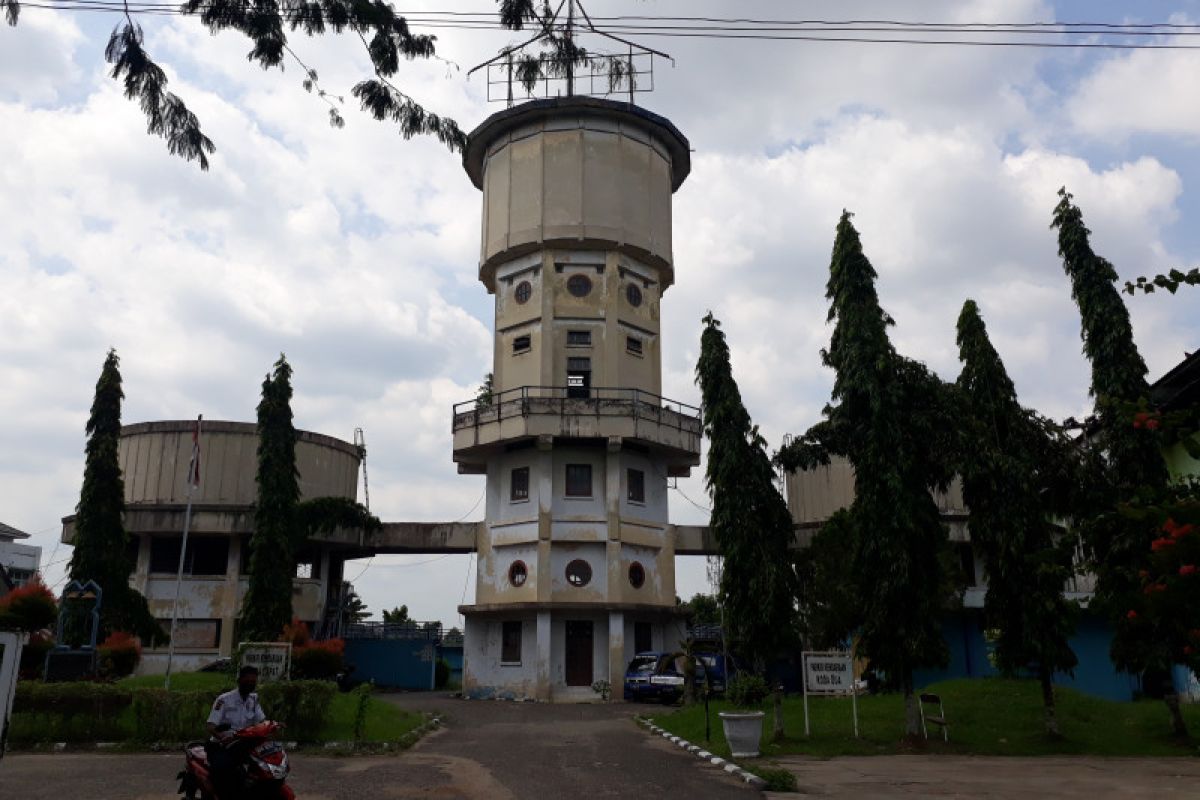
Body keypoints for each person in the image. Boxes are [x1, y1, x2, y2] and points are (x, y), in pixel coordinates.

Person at [205, 665, 266, 799]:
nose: (250, 684)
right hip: (222, 746)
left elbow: (261, 722)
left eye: (253, 682)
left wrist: (273, 726)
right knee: (223, 770)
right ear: (239, 680)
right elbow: (210, 726)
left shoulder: (253, 700)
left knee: (263, 768)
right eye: (247, 681)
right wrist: (221, 737)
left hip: (243, 745)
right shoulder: (224, 699)